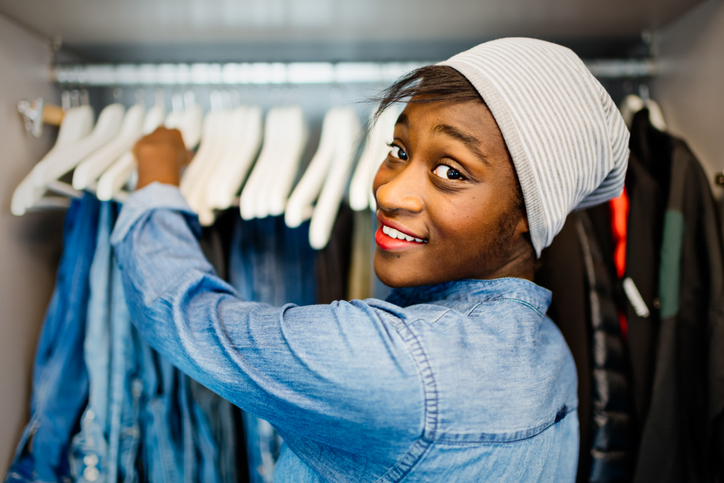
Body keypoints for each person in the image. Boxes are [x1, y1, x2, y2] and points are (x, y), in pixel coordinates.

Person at [113, 38, 629, 482]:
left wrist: (157, 182)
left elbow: (186, 315)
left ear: (528, 216)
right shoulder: (546, 349)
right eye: (400, 150)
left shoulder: (398, 366)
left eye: (451, 171)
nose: (390, 192)